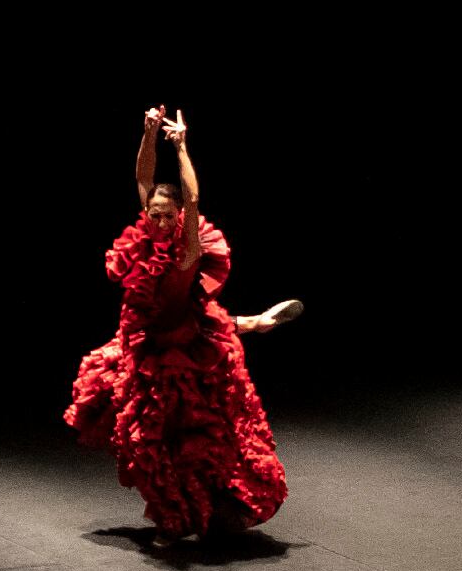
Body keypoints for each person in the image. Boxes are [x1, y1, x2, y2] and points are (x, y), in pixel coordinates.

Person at [66, 104, 300, 548]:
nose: (156, 220)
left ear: (178, 221)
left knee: (166, 441)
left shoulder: (185, 252)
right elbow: (142, 177)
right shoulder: (145, 236)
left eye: (165, 216)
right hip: (145, 340)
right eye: (153, 213)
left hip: (179, 349)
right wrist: (150, 134)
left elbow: (192, 198)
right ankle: (256, 321)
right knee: (115, 411)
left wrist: (183, 146)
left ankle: (175, 521)